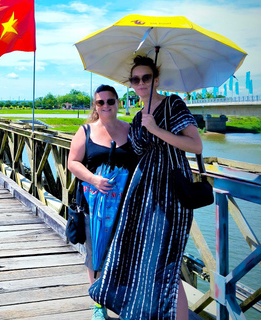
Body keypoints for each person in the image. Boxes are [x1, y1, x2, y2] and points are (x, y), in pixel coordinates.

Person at [89, 56, 203, 320]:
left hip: (172, 194)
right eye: (136, 79)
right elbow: (139, 151)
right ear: (131, 83)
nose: (141, 83)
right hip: (145, 195)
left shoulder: (173, 104)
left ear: (156, 80)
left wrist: (156, 129)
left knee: (168, 262)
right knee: (144, 258)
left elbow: (196, 146)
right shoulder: (140, 115)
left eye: (146, 78)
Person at [68, 85, 137, 320]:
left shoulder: (131, 130)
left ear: (118, 102)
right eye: (100, 102)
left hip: (124, 207)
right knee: (94, 253)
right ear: (95, 106)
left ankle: (120, 297)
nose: (106, 106)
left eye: (110, 101)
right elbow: (73, 163)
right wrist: (93, 179)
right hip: (92, 206)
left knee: (122, 253)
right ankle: (98, 303)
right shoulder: (85, 131)